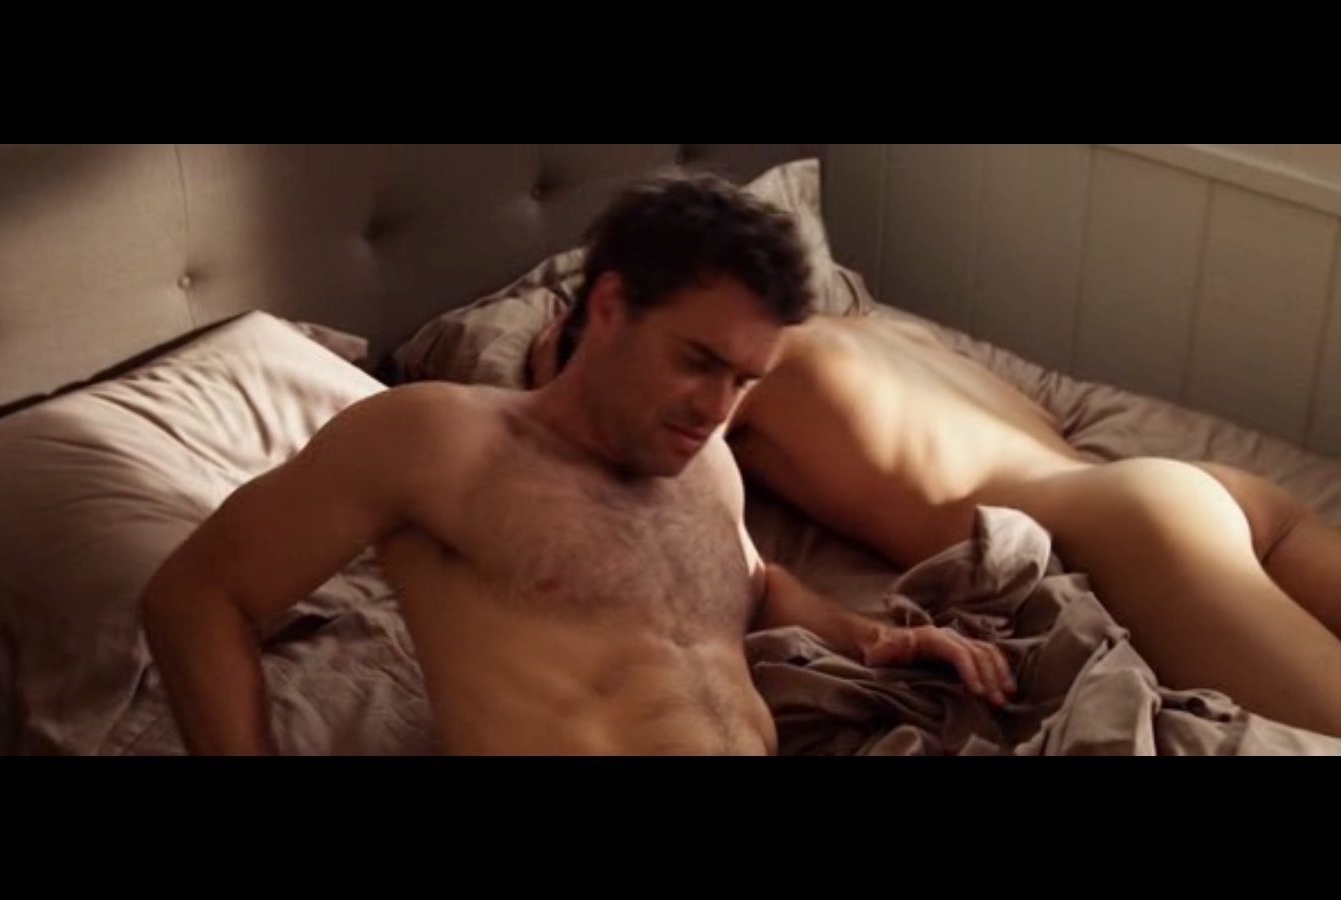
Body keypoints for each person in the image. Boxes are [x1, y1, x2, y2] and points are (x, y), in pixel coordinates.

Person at [138, 172, 1015, 757]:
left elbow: (752, 585)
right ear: (610, 306)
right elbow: (195, 597)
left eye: (745, 380)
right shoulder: (439, 439)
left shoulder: (706, 463)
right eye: (699, 362)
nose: (718, 407)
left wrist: (882, 639)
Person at [529, 271, 1341, 740]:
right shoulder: (881, 329)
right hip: (1189, 487)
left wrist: (549, 371)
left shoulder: (736, 378)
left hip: (1132, 531)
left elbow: (609, 462)